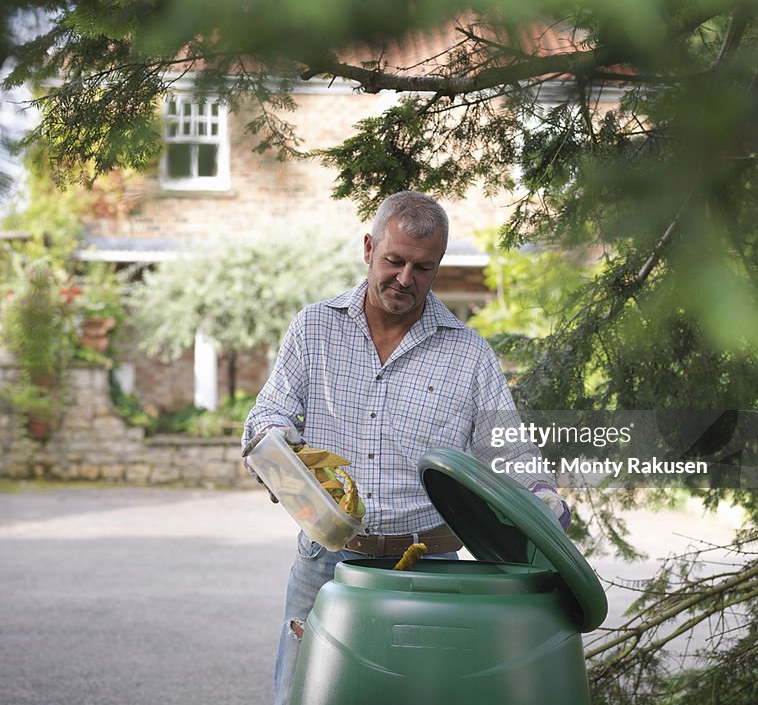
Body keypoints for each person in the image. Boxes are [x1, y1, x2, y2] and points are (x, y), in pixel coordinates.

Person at [241, 191, 569, 705]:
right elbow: (266, 417)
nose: (405, 278)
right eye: (394, 260)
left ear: (437, 267)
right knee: (301, 697)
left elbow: (509, 451)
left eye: (423, 267)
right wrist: (279, 451)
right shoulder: (315, 328)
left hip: (431, 569)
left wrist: (542, 494)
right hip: (327, 560)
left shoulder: (468, 354)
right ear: (369, 247)